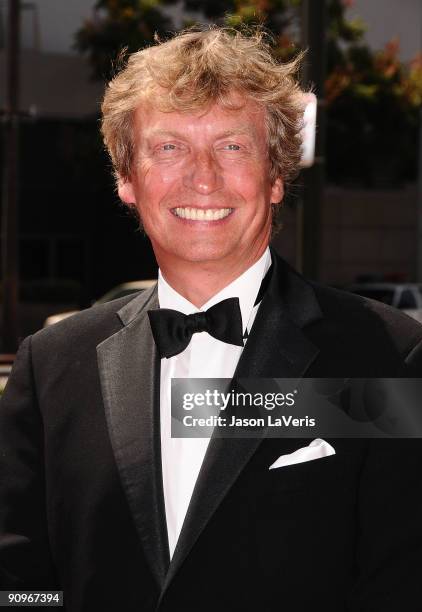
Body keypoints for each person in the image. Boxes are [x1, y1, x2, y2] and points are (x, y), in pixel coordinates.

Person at [1, 27, 422, 612]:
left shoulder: (388, 353)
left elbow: (402, 581)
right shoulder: (50, 368)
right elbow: (20, 582)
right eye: (169, 147)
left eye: (232, 146)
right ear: (127, 179)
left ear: (275, 178)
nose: (202, 177)